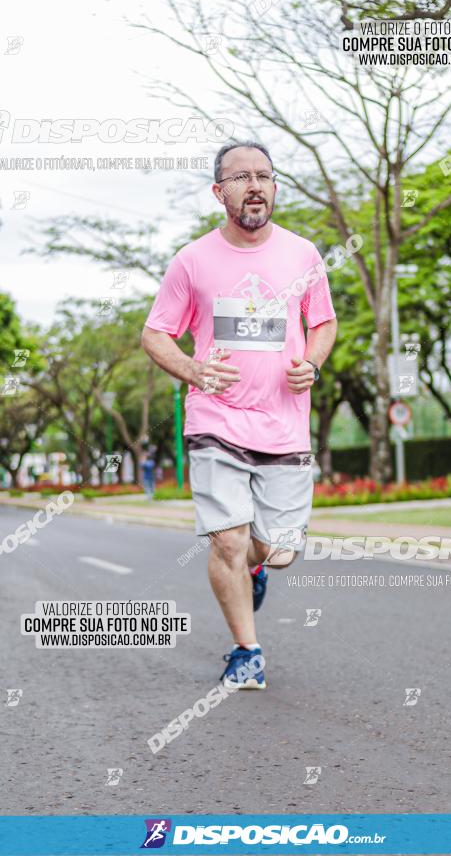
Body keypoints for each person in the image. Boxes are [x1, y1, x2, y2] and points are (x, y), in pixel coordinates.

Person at [142, 140, 337, 689]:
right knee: (227, 537)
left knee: (277, 552)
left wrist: (313, 364)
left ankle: (255, 566)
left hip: (284, 423)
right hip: (215, 418)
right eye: (241, 177)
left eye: (264, 176)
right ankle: (245, 649)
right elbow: (155, 332)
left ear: (274, 188)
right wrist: (193, 370)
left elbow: (322, 322)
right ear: (218, 191)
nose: (255, 185)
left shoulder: (303, 255)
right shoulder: (192, 259)